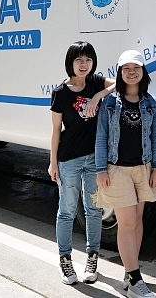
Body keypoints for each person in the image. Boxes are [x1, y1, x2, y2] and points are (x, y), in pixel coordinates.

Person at [95, 50, 156, 298]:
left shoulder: (151, 103)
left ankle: (129, 270)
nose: (131, 72)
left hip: (143, 168)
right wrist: (101, 169)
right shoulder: (111, 103)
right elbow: (101, 136)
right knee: (125, 223)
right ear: (120, 73)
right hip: (117, 169)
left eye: (136, 67)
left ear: (143, 72)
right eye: (126, 68)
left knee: (137, 220)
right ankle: (135, 282)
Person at [48, 41, 115, 285]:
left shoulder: (96, 82)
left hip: (94, 160)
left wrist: (98, 95)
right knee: (66, 211)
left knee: (93, 210)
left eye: (88, 59)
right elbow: (56, 131)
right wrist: (52, 162)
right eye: (79, 60)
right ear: (70, 63)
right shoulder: (60, 93)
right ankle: (65, 259)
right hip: (68, 159)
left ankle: (92, 257)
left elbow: (121, 81)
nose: (84, 64)